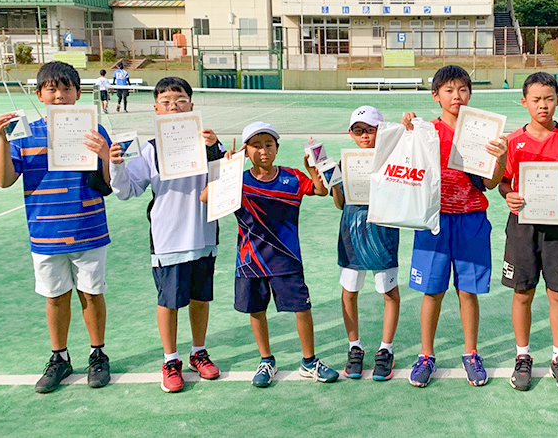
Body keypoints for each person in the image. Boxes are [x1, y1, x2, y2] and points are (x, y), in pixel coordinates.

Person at [0, 61, 112, 393]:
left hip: (88, 227)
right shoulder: (24, 133)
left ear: (78, 92)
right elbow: (4, 180)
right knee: (55, 297)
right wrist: (2, 140)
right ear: (40, 94)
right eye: (52, 89)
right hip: (45, 232)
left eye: (67, 88)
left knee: (92, 293)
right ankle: (59, 357)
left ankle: (98, 354)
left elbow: (109, 183)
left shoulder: (95, 132)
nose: (60, 95)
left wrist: (105, 156)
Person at [109, 77, 224, 393]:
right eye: (167, 101)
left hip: (204, 234)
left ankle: (198, 353)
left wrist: (215, 150)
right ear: (156, 109)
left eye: (181, 99)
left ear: (192, 104)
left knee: (201, 298)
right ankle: (170, 359)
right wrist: (116, 166)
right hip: (168, 237)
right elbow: (126, 191)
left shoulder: (209, 142)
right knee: (169, 301)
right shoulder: (149, 150)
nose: (174, 106)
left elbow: (225, 181)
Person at [401, 65, 507, 388]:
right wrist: (407, 130)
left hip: (472, 219)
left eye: (462, 90)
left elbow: (490, 183)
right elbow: (404, 163)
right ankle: (426, 355)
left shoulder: (482, 133)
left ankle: (471, 353)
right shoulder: (425, 132)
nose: (456, 96)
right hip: (433, 221)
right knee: (432, 292)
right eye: (448, 90)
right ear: (436, 96)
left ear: (470, 94)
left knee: (468, 291)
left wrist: (500, 158)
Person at [499, 71, 558, 394]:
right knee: (522, 292)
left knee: (557, 293)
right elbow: (503, 181)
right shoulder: (513, 141)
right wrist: (506, 194)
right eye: (536, 99)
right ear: (524, 102)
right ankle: (522, 356)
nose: (543, 105)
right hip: (522, 226)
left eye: (549, 99)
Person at [229, 121, 339, 387]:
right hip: (250, 260)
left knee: (302, 309)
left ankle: (309, 361)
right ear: (246, 151)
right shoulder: (237, 180)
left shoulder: (291, 177)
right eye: (256, 146)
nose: (263, 151)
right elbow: (206, 197)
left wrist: (312, 170)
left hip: (287, 259)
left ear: (277, 149)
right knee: (257, 311)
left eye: (268, 145)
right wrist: (227, 170)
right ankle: (266, 359)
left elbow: (321, 190)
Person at [332, 106, 400, 381]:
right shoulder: (343, 163)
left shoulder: (393, 162)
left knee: (389, 292)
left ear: (380, 131)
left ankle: (386, 349)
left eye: (370, 129)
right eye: (358, 130)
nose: (364, 135)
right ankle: (354, 347)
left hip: (382, 236)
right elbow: (340, 203)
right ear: (351, 133)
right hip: (350, 236)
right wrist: (334, 182)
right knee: (349, 291)